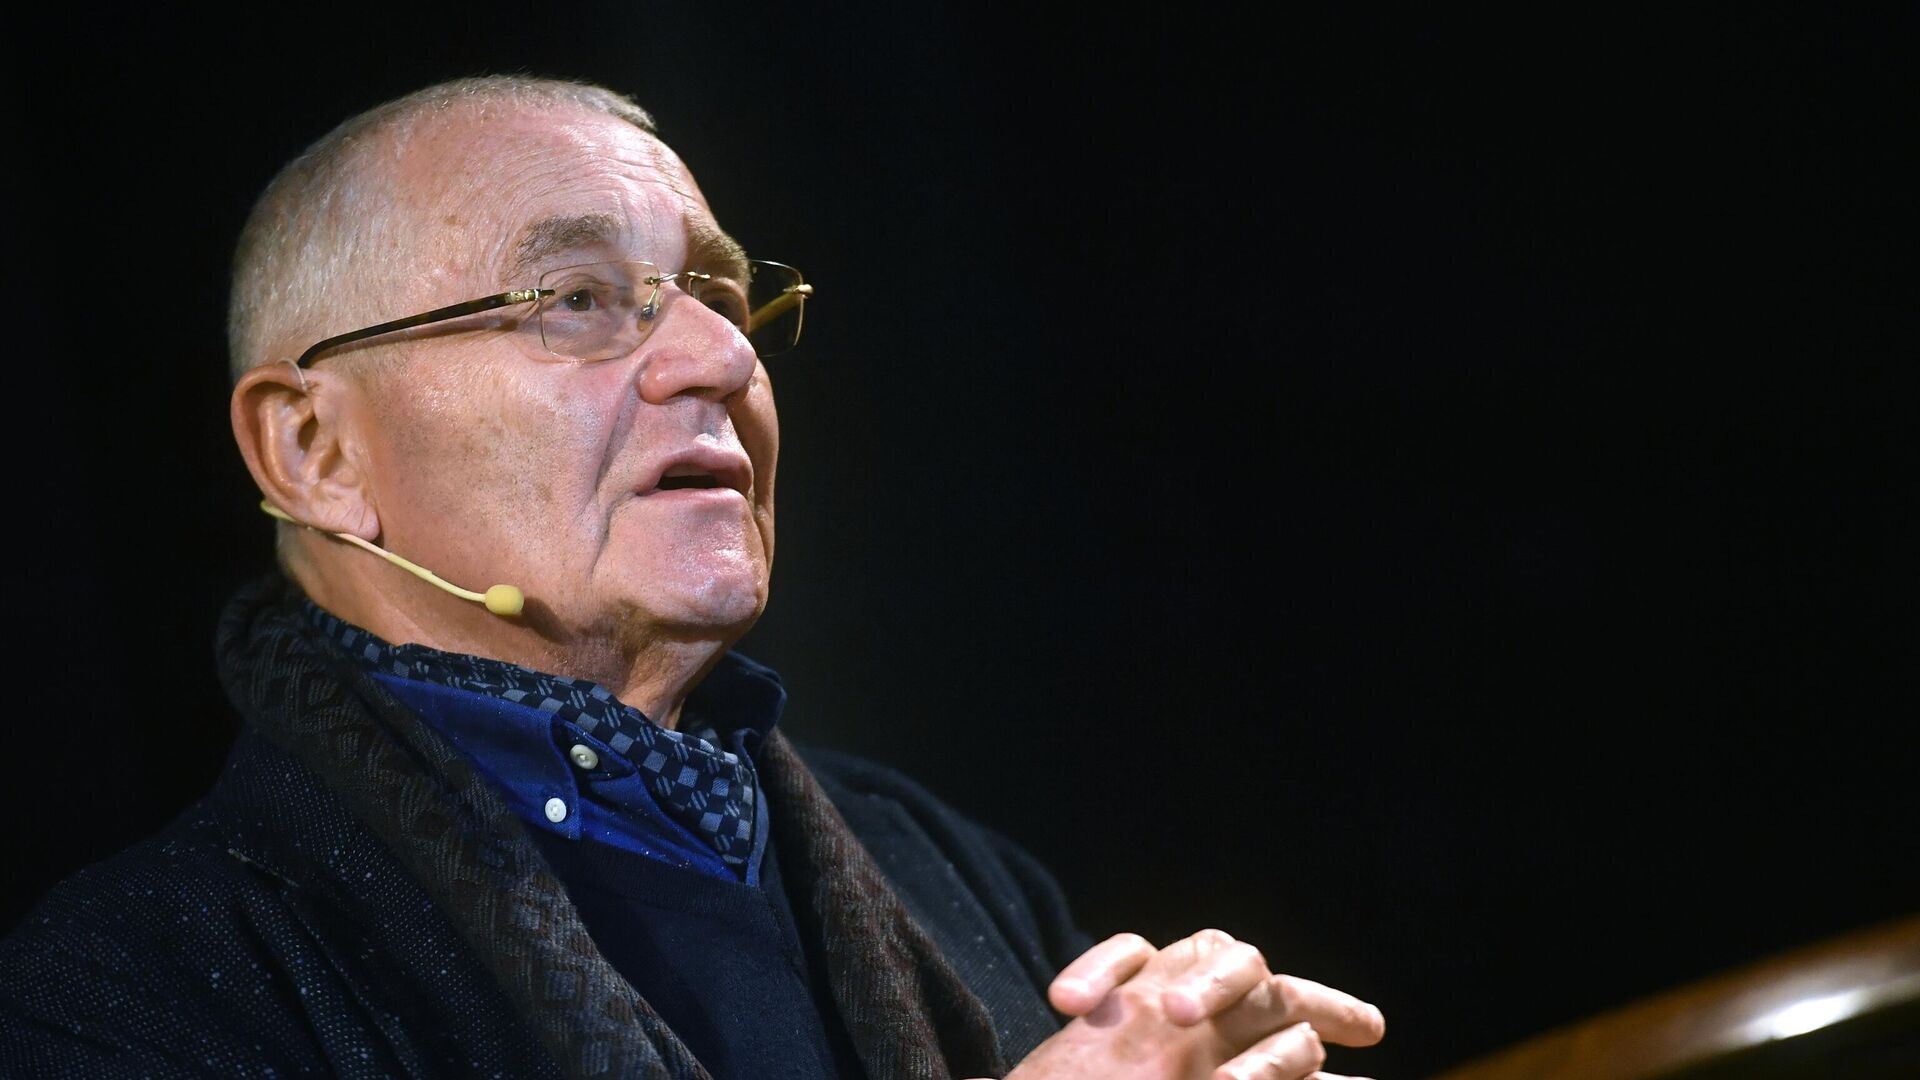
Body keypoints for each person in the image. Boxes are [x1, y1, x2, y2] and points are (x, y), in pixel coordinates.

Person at [0, 76, 1384, 1079]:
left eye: (721, 297)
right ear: (313, 450)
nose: (723, 359)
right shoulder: (130, 991)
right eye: (574, 301)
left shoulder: (928, 855)